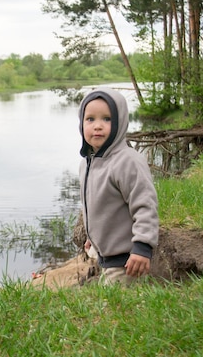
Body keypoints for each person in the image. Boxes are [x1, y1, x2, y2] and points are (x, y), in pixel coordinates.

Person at [78, 87, 159, 286]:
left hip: (127, 259)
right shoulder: (88, 162)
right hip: (105, 253)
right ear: (81, 123)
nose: (97, 126)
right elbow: (96, 205)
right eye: (90, 119)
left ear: (120, 123)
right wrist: (92, 236)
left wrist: (142, 246)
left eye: (107, 119)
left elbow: (145, 205)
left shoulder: (127, 161)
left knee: (113, 311)